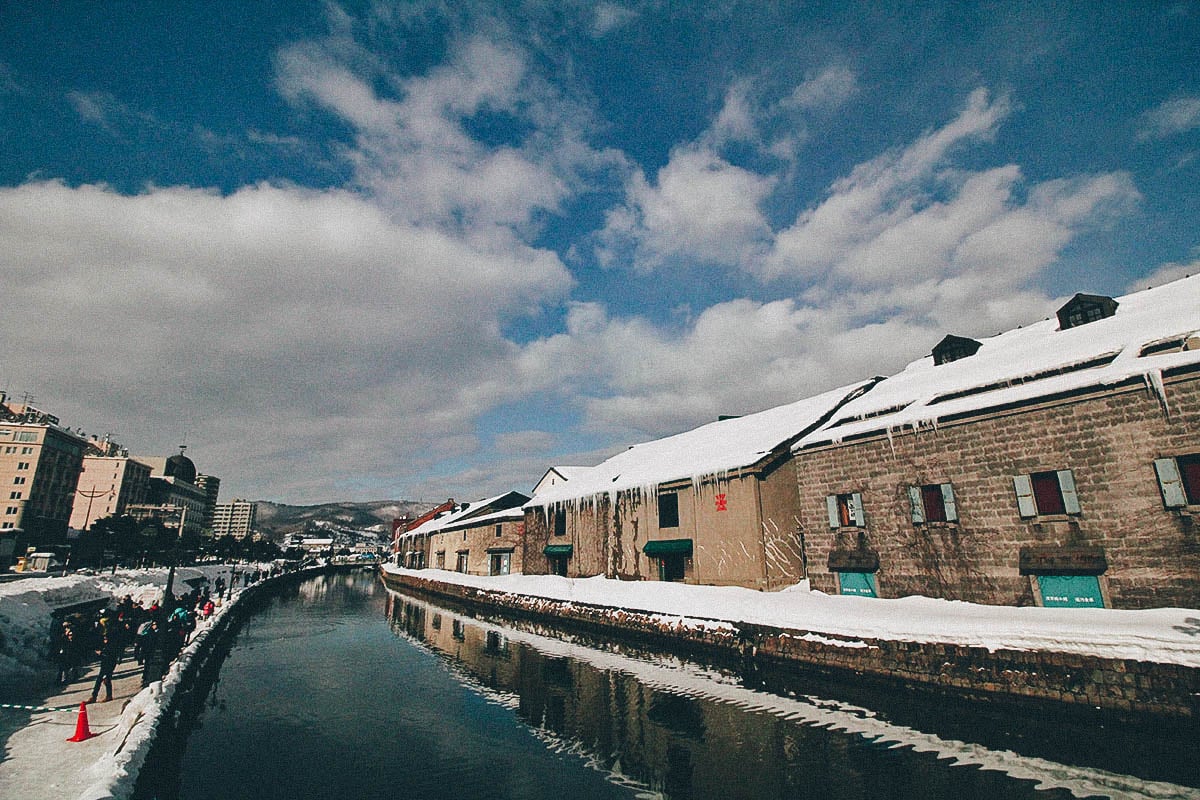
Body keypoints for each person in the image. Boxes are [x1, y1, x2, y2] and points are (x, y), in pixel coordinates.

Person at [89, 631, 123, 703]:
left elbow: (110, 655)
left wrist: (101, 653)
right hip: (104, 663)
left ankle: (106, 696)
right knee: (101, 680)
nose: (105, 641)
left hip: (109, 664)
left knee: (105, 679)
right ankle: (96, 696)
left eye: (106, 639)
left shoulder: (112, 645)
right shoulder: (106, 645)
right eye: (104, 639)